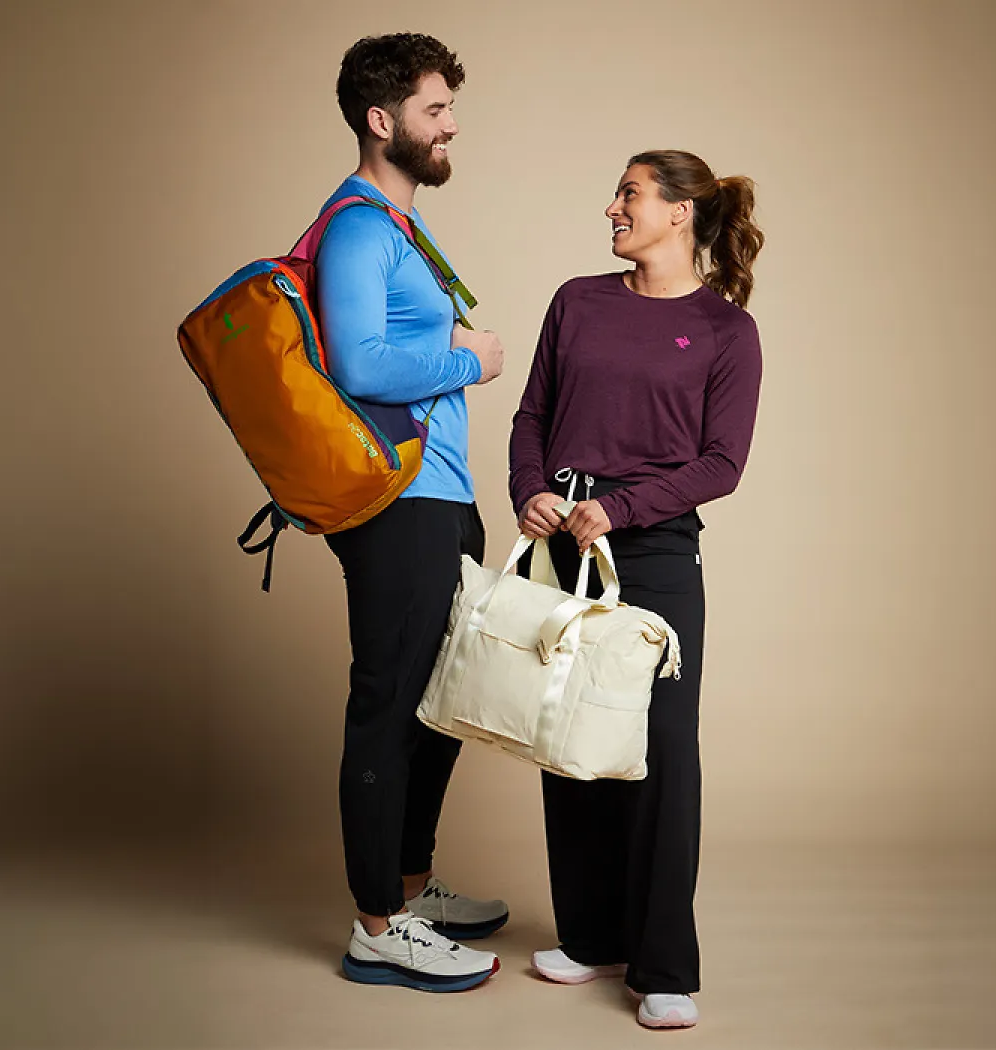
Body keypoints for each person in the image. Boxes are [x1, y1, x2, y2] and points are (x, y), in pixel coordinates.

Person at [508, 150, 765, 1030]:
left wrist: (618, 510)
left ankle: (663, 966)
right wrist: (530, 490)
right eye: (618, 192)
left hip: (652, 550)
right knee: (567, 730)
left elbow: (721, 464)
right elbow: (532, 414)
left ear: (681, 213)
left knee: (658, 751)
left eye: (629, 193)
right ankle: (588, 937)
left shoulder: (727, 331)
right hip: (562, 542)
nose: (612, 206)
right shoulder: (577, 301)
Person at [314, 32, 511, 992]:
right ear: (381, 121)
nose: (451, 126)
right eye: (436, 110)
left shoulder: (398, 229)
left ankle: (411, 882)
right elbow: (357, 365)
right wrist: (470, 359)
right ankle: (375, 924)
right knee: (389, 707)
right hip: (395, 505)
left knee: (437, 708)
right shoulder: (355, 226)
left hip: (443, 498)